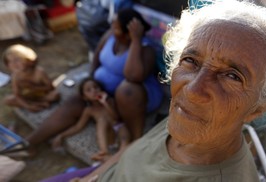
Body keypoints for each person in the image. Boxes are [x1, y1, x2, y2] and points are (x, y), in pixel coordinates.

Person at [41, 0, 266, 181]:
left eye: (232, 76)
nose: (192, 90)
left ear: (260, 107)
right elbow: (137, 149)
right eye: (190, 60)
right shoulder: (189, 120)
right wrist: (93, 176)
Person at [25, 8, 163, 155]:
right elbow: (96, 59)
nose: (111, 28)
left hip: (133, 98)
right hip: (102, 94)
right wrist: (90, 84)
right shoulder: (110, 36)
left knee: (127, 89)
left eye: (116, 27)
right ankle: (29, 143)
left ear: (128, 33)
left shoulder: (145, 49)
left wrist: (135, 41)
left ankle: (133, 141)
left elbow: (133, 77)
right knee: (74, 102)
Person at [51, 77, 130, 161]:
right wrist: (61, 136)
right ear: (85, 97)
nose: (94, 91)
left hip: (119, 131)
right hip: (109, 137)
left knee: (122, 129)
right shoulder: (89, 110)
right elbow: (78, 127)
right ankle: (104, 152)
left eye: (96, 87)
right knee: (101, 121)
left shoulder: (109, 101)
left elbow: (116, 118)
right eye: (89, 90)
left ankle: (121, 151)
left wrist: (105, 103)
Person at [2, 44, 60, 112]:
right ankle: (38, 104)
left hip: (42, 95)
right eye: (10, 61)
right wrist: (27, 106)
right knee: (8, 100)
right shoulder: (15, 76)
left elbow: (51, 88)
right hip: (29, 96)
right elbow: (17, 94)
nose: (14, 64)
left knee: (55, 95)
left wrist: (33, 87)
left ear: (29, 59)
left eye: (17, 60)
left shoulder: (39, 72)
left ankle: (41, 103)